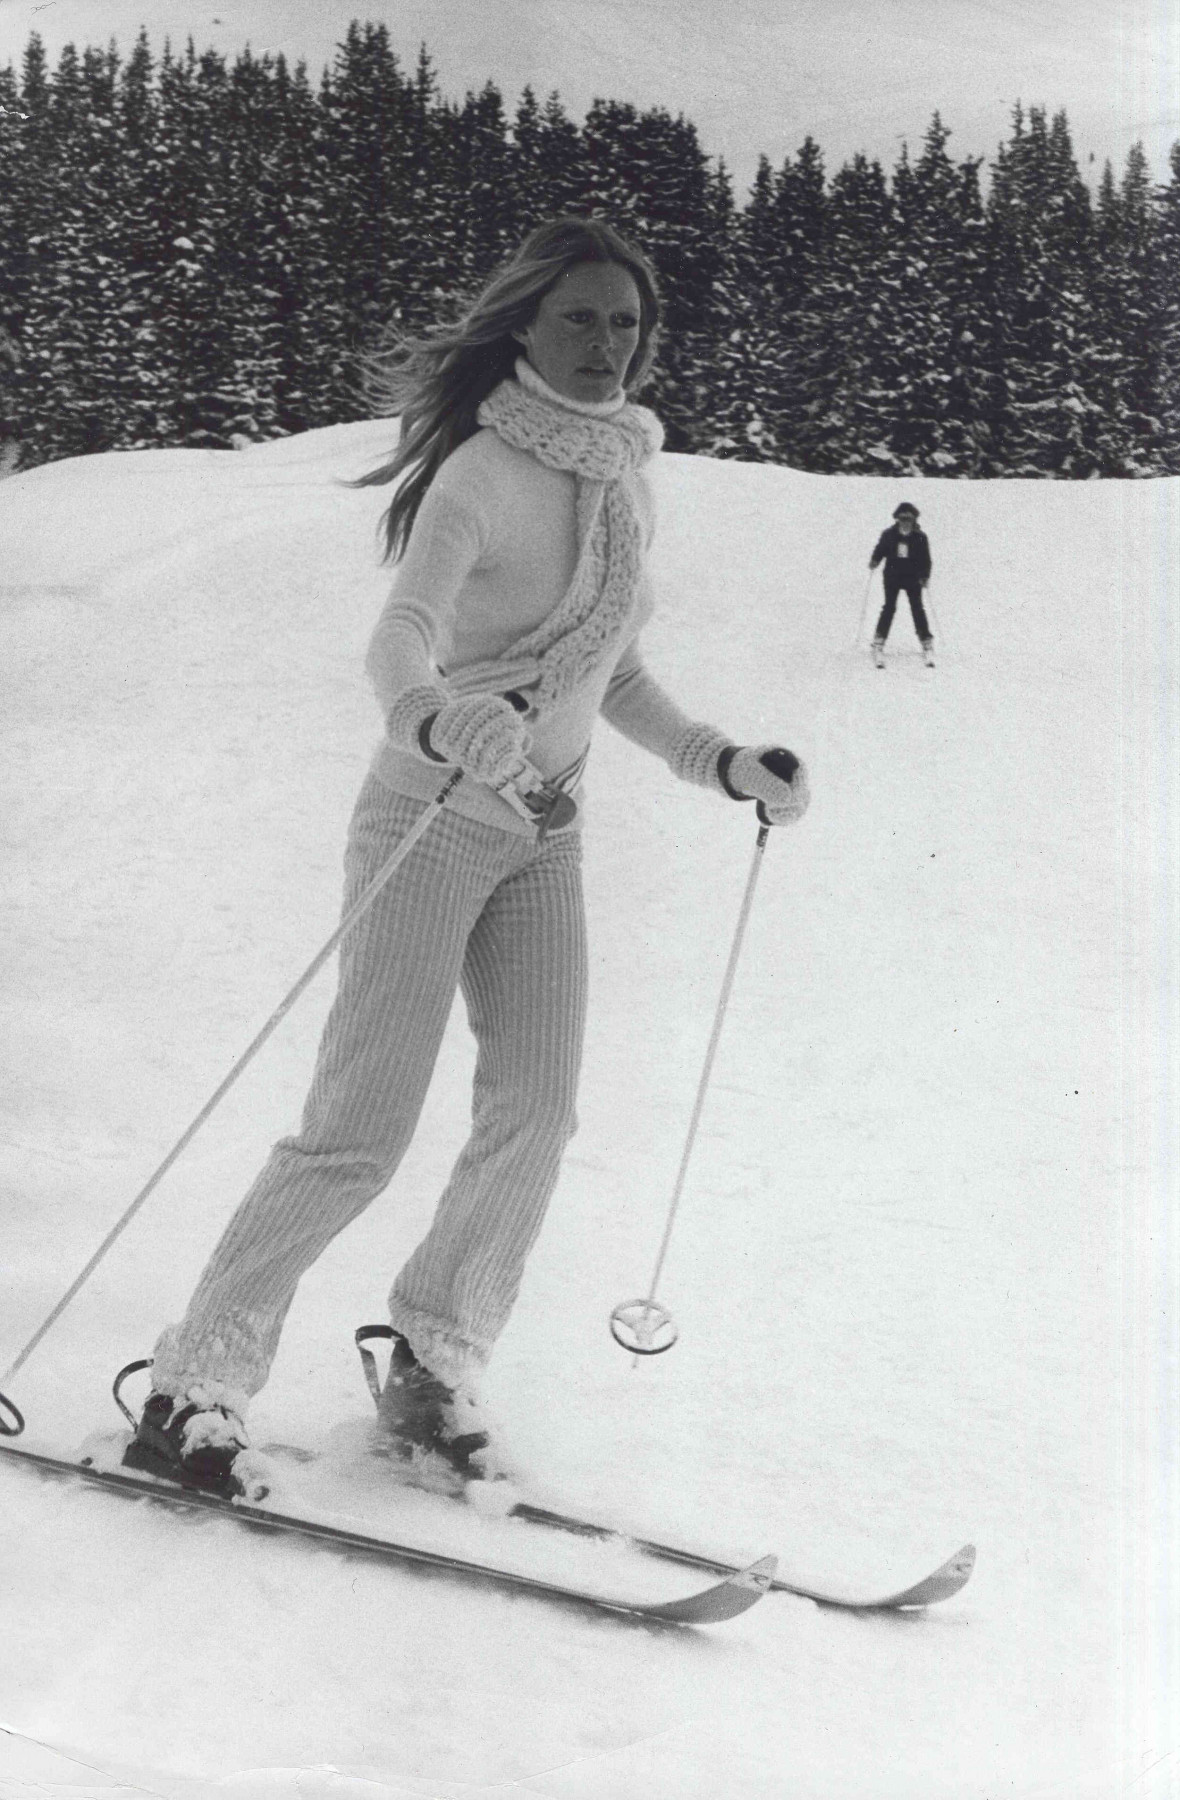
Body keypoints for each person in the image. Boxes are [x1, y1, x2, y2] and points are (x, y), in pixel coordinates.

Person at [123, 216, 811, 1498]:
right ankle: (193, 1383)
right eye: (580, 320)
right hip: (429, 820)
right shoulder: (483, 473)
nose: (608, 345)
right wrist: (446, 715)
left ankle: (436, 1360)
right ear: (525, 329)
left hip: (545, 836)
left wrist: (720, 760)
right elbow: (401, 643)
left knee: (536, 1114)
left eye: (626, 322)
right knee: (358, 1132)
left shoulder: (624, 477)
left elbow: (615, 670)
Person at [869, 502, 934, 667]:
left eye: (909, 519)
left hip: (912, 577)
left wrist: (925, 575)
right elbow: (880, 549)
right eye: (902, 518)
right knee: (889, 607)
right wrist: (875, 560)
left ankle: (926, 641)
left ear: (914, 520)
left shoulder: (920, 537)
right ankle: (879, 641)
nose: (905, 522)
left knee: (917, 608)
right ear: (897, 519)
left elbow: (925, 558)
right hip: (892, 576)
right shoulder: (889, 535)